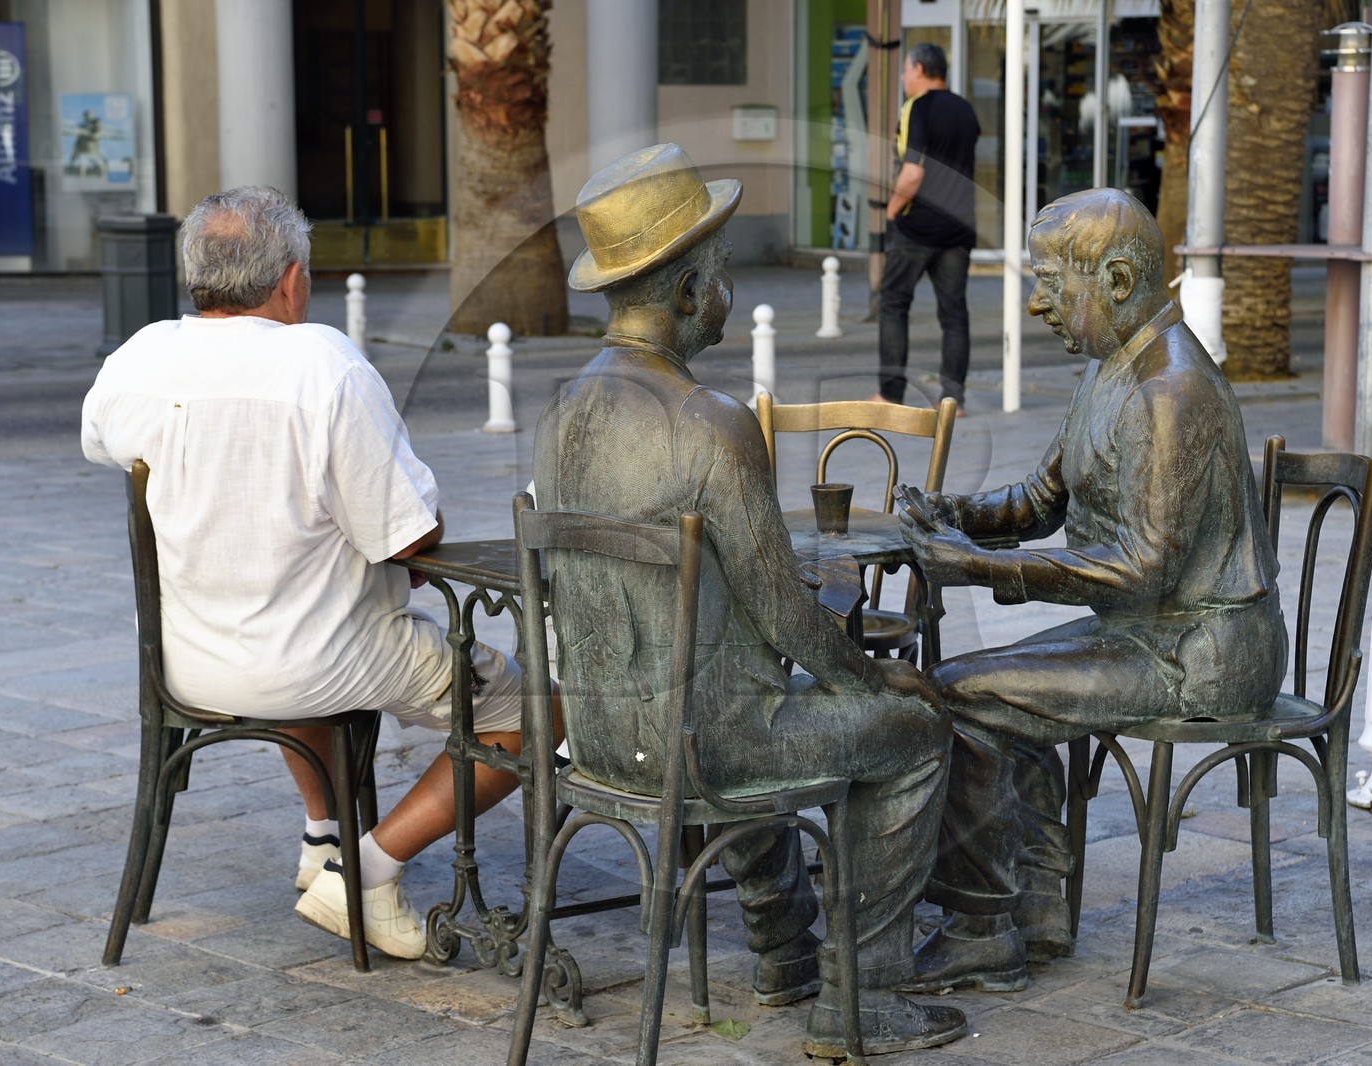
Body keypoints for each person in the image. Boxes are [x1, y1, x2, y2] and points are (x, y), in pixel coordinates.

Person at [534, 143, 964, 1058]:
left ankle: (784, 954)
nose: (726, 292)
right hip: (703, 745)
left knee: (743, 694)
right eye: (721, 275)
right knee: (913, 729)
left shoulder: (562, 411)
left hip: (605, 738)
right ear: (689, 294)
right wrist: (875, 681)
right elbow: (789, 621)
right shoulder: (711, 423)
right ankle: (865, 995)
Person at [81, 186, 529, 961]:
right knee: (537, 717)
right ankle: (367, 871)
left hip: (182, 661)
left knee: (292, 600)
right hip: (308, 660)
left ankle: (327, 835)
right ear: (291, 281)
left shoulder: (138, 355)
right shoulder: (324, 364)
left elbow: (104, 444)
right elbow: (409, 537)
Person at [895, 187, 1288, 992]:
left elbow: (1142, 566)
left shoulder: (1171, 388)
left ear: (1113, 280)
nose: (1037, 302)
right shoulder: (1114, 366)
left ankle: (981, 928)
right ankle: (1034, 911)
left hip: (1201, 649)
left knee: (959, 694)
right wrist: (953, 514)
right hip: (1148, 629)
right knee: (996, 689)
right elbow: (1043, 500)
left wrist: (982, 567)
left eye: (1048, 281)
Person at [872, 41, 980, 413]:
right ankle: (953, 400)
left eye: (905, 70)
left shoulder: (917, 107)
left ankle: (890, 395)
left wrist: (892, 210)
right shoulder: (965, 110)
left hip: (917, 227)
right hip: (958, 229)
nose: (903, 77)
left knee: (893, 305)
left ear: (918, 69)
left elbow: (913, 172)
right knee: (953, 314)